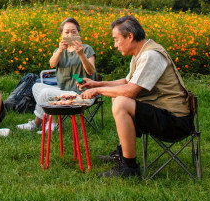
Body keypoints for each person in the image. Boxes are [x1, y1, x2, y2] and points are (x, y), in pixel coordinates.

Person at [78, 15, 192, 178]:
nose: (115, 45)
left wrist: (98, 91)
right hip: (164, 114)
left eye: (116, 39)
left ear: (130, 36)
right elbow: (126, 81)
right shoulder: (140, 53)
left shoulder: (151, 55)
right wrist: (96, 84)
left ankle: (129, 167)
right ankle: (122, 154)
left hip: (175, 121)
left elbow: (130, 91)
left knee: (122, 102)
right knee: (118, 97)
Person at [17, 17, 96, 133]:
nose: (70, 35)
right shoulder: (59, 50)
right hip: (63, 90)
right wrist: (59, 51)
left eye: (74, 32)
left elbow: (91, 71)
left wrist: (81, 55)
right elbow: (52, 64)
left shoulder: (87, 49)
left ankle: (37, 123)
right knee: (36, 86)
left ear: (78, 33)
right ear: (61, 35)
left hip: (82, 94)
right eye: (67, 32)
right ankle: (52, 122)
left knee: (45, 93)